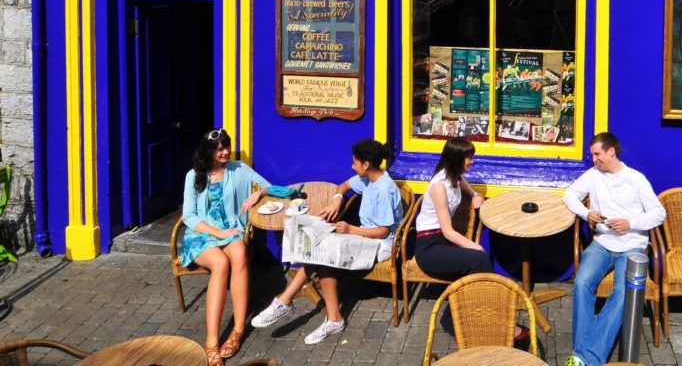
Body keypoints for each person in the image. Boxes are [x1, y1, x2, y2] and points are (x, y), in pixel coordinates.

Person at [251, 139, 404, 345]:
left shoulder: (385, 189)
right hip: (363, 235)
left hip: (382, 244)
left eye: (355, 162)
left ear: (366, 164)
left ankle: (293, 304)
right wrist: (336, 201)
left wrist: (350, 230)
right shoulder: (367, 178)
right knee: (316, 244)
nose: (352, 166)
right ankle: (300, 307)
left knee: (322, 254)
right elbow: (343, 186)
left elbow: (383, 231)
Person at [562, 133, 666, 366]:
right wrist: (586, 213)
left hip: (632, 245)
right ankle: (584, 354)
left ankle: (585, 357)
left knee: (622, 293)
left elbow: (659, 213)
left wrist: (631, 223)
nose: (594, 159)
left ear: (611, 152)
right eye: (592, 155)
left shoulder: (635, 179)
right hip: (602, 242)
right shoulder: (594, 175)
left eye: (597, 154)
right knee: (581, 283)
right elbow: (570, 195)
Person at [181, 129, 269, 366]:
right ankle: (211, 344)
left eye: (226, 146)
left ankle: (238, 330)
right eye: (219, 149)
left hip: (231, 230)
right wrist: (216, 232)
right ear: (208, 151)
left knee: (239, 254)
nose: (225, 152)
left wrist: (257, 195)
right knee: (220, 263)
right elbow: (189, 216)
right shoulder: (193, 176)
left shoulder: (238, 169)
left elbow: (268, 186)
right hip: (202, 234)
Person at [414, 138, 490, 279]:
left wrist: (474, 194)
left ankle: (477, 292)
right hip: (429, 247)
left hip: (443, 242)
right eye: (469, 157)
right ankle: (480, 293)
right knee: (480, 258)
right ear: (457, 159)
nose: (472, 161)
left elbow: (461, 181)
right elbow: (448, 232)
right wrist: (477, 247)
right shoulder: (439, 187)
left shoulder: (453, 176)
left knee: (479, 259)